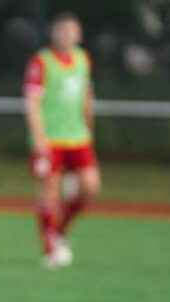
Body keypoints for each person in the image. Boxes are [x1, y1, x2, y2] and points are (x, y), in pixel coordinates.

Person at [24, 11, 101, 269]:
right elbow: (32, 103)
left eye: (71, 30)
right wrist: (38, 140)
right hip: (51, 139)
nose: (67, 34)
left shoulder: (83, 59)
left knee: (90, 188)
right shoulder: (41, 61)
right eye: (62, 30)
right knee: (50, 194)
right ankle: (50, 247)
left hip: (78, 137)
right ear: (53, 33)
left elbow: (87, 97)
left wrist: (89, 128)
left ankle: (59, 231)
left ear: (78, 34)